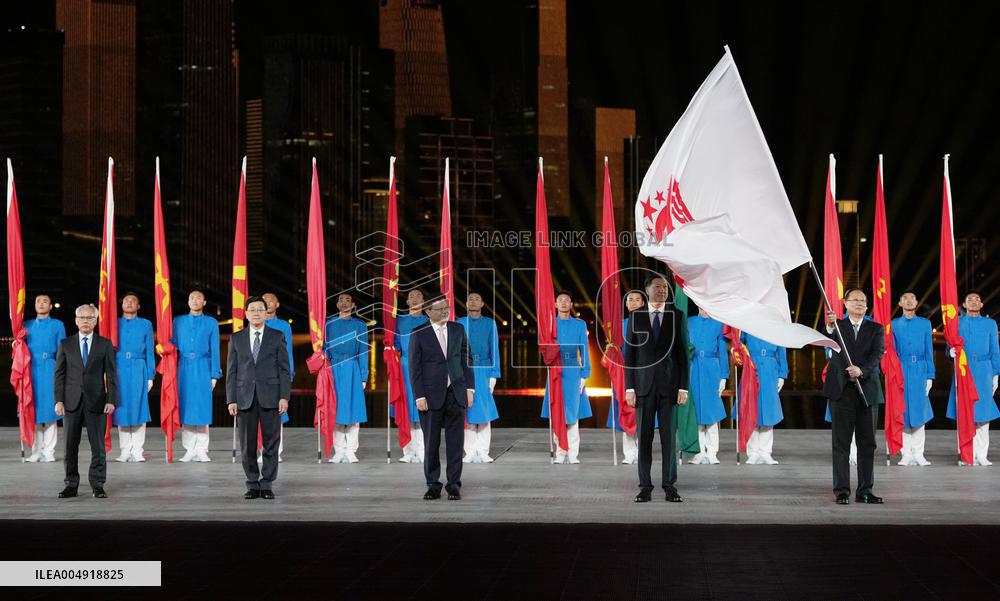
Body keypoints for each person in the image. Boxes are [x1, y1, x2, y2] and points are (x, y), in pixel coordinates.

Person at [626, 275, 688, 503]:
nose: (662, 290)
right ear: (647, 289)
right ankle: (644, 486)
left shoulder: (676, 316)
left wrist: (684, 387)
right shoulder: (636, 317)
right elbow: (629, 355)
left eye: (665, 287)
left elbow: (682, 355)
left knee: (669, 438)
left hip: (670, 387)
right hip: (643, 386)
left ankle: (669, 485)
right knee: (644, 438)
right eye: (657, 287)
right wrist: (629, 388)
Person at [408, 298, 475, 500]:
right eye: (440, 309)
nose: (445, 311)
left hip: (456, 393)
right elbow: (414, 367)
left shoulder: (457, 329)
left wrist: (470, 389)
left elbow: (466, 359)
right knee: (431, 443)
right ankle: (433, 484)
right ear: (428, 311)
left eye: (447, 308)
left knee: (456, 442)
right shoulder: (418, 333)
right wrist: (419, 395)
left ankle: (454, 484)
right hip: (429, 396)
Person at [825, 288, 885, 505]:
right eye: (855, 300)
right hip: (842, 391)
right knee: (840, 443)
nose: (859, 303)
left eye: (863, 300)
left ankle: (865, 490)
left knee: (867, 443)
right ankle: (841, 491)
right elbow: (828, 340)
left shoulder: (876, 328)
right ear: (845, 304)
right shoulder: (837, 327)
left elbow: (877, 354)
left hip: (867, 390)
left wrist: (862, 370)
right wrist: (831, 326)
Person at [226, 296, 290, 500]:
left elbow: (284, 370)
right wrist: (231, 399)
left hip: (271, 396)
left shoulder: (277, 336)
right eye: (252, 309)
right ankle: (252, 483)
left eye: (259, 309)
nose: (255, 313)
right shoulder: (237, 338)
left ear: (266, 313)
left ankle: (267, 483)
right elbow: (232, 371)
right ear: (245, 314)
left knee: (271, 443)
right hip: (244, 397)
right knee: (247, 444)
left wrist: (284, 396)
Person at [54, 304, 119, 499]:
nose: (85, 321)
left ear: (96, 321)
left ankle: (97, 484)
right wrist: (58, 400)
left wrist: (111, 400)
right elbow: (59, 375)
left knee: (98, 446)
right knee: (69, 447)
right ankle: (71, 485)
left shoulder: (105, 344)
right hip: (71, 401)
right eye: (81, 317)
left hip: (97, 400)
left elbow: (112, 375)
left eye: (89, 317)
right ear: (75, 320)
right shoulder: (66, 344)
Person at [946, 291, 999, 466]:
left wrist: (995, 374)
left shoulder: (990, 324)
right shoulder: (957, 323)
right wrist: (950, 352)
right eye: (970, 300)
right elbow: (950, 345)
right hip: (964, 370)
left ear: (982, 305)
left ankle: (982, 454)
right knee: (965, 412)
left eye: (977, 299)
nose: (974, 302)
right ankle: (966, 453)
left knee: (983, 413)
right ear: (964, 304)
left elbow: (995, 350)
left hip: (984, 370)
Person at [541, 290, 592, 464]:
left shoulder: (579, 324)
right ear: (555, 304)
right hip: (555, 369)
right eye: (560, 300)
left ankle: (573, 453)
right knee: (557, 411)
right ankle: (560, 451)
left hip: (573, 371)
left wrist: (584, 374)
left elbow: (584, 349)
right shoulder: (549, 324)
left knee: (572, 413)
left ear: (571, 304)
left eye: (567, 300)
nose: (563, 303)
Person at [173, 290, 221, 462]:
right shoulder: (178, 321)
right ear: (188, 301)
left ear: (204, 302)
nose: (195, 300)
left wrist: (214, 374)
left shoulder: (211, 322)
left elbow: (215, 349)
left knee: (201, 408)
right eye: (191, 297)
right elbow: (172, 346)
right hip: (184, 368)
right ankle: (189, 449)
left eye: (198, 298)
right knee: (186, 408)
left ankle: (201, 448)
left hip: (202, 367)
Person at [324, 292, 369, 463]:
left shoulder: (360, 325)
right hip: (334, 369)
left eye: (347, 300)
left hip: (352, 368)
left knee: (353, 410)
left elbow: (364, 351)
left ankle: (351, 450)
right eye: (340, 300)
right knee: (335, 410)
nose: (344, 303)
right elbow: (323, 348)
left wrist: (363, 376)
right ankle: (338, 450)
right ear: (336, 305)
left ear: (353, 305)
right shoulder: (328, 324)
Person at [892, 291, 935, 466]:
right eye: (905, 299)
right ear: (900, 303)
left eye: (912, 298)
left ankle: (919, 453)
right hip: (901, 369)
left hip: (920, 369)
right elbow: (892, 352)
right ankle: (906, 453)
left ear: (916, 302)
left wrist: (930, 375)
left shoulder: (925, 324)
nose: (909, 301)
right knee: (902, 411)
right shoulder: (894, 324)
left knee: (919, 410)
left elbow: (929, 350)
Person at [457, 292, 501, 463]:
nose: (473, 301)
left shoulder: (490, 324)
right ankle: (469, 451)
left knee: (483, 409)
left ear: (482, 304)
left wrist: (494, 374)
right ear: (466, 303)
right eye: (470, 299)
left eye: (477, 299)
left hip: (484, 369)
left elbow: (494, 349)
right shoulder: (460, 323)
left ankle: (483, 450)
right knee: (467, 408)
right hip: (464, 368)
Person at [113, 293, 156, 463]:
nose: (129, 303)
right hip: (119, 367)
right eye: (126, 301)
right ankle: (125, 450)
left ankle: (138, 450)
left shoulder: (145, 324)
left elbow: (150, 351)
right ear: (121, 304)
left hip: (139, 367)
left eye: (133, 301)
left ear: (138, 306)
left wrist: (150, 375)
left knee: (138, 409)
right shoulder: (114, 323)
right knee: (121, 410)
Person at [24, 294, 66, 462]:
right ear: (34, 305)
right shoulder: (26, 325)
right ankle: (35, 451)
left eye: (45, 302)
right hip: (30, 370)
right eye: (38, 301)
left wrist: (61, 370)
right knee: (32, 410)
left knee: (50, 410)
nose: (41, 304)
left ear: (50, 306)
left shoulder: (57, 325)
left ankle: (49, 452)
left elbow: (62, 350)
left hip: (50, 368)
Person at [607, 291, 645, 464]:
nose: (634, 302)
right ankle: (629, 453)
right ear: (626, 305)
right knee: (625, 409)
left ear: (643, 303)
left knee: (643, 411)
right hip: (625, 374)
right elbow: (613, 350)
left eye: (638, 299)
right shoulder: (619, 326)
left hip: (645, 372)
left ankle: (643, 452)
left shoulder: (651, 323)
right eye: (630, 300)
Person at [687, 307, 729, 465]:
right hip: (693, 367)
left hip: (712, 369)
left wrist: (724, 376)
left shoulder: (719, 324)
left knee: (712, 412)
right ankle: (698, 452)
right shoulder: (689, 322)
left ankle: (712, 452)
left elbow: (723, 351)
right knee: (696, 412)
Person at [739, 333, 788, 464]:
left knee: (768, 411)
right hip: (751, 367)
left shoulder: (775, 324)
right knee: (752, 409)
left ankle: (765, 452)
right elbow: (739, 341)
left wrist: (782, 374)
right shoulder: (748, 322)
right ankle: (753, 452)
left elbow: (782, 349)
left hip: (770, 369)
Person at [395, 289, 430, 463]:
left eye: (418, 295)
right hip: (405, 367)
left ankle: (423, 450)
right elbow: (394, 346)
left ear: (423, 301)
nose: (415, 298)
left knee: (423, 407)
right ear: (407, 302)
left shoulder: (429, 321)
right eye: (411, 296)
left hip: (424, 368)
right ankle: (408, 450)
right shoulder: (399, 321)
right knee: (406, 408)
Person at [262, 292, 294, 463]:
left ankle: (275, 451)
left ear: (278, 304)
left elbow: (288, 353)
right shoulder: (254, 323)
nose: (267, 302)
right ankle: (260, 450)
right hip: (258, 375)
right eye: (264, 299)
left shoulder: (283, 326)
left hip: (275, 374)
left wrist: (289, 375)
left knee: (277, 412)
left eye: (271, 299)